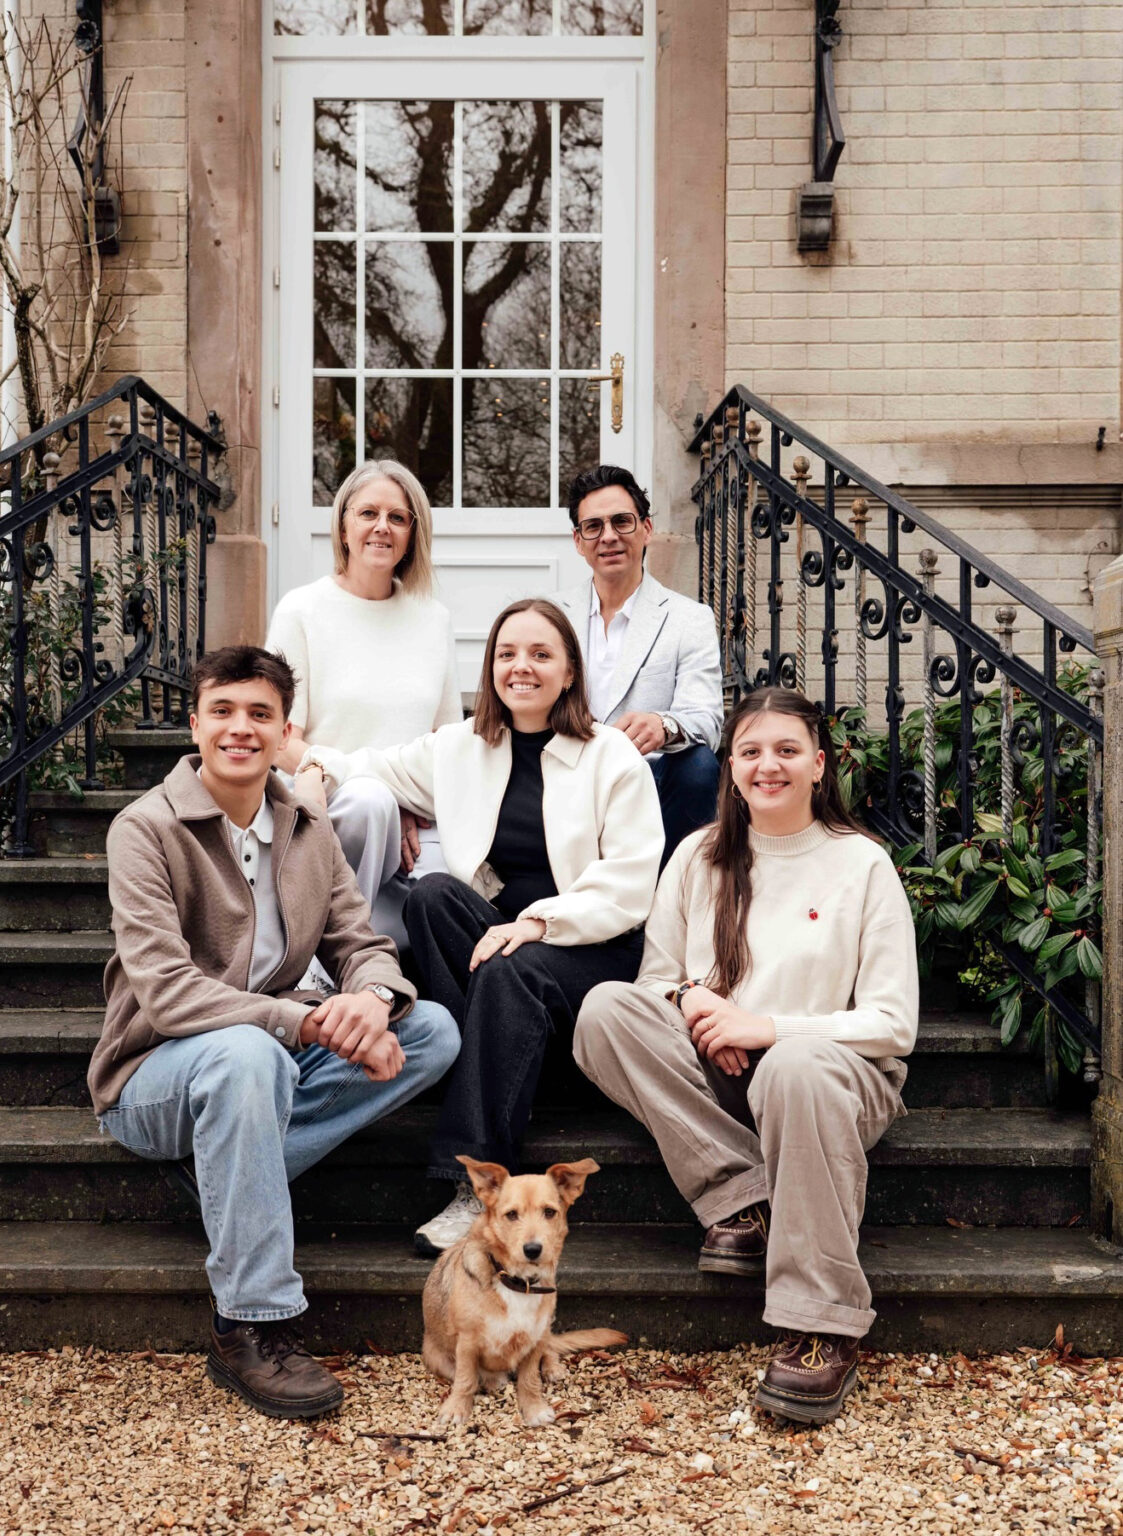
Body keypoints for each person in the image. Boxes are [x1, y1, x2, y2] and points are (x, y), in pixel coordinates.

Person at [88, 646, 460, 1421]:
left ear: (285, 732)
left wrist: (374, 1000)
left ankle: (229, 1168)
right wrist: (308, 1020)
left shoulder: (306, 827)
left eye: (260, 714)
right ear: (195, 726)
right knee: (246, 1052)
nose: (240, 728)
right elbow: (167, 994)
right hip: (153, 1078)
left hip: (266, 1059)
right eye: (222, 711)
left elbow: (360, 943)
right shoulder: (144, 829)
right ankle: (248, 1323)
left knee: (431, 1030)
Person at [573, 688, 918, 1425]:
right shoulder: (697, 857)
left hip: (834, 1078)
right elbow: (656, 984)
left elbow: (892, 1025)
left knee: (795, 1067)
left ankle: (820, 1324)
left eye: (787, 750)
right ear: (729, 767)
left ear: (818, 765)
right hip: (724, 1071)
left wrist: (765, 1029)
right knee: (605, 1011)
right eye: (751, 751)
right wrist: (698, 1009)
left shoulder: (862, 864)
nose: (769, 766)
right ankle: (744, 1199)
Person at [296, 599, 664, 1257]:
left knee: (507, 965)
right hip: (504, 946)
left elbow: (632, 882)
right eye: (507, 653)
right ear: (490, 666)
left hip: (590, 945)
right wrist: (314, 773)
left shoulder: (611, 757)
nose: (521, 667)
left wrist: (538, 923)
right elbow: (369, 767)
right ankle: (487, 1069)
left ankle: (476, 1185)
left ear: (570, 673)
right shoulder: (463, 746)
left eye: (541, 654)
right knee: (432, 897)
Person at [265, 460, 461, 948]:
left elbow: (447, 743)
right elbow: (280, 740)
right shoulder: (301, 609)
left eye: (397, 517)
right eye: (368, 513)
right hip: (327, 799)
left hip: (411, 808)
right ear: (343, 527)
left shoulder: (433, 618)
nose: (382, 527)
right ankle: (332, 954)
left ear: (413, 533)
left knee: (456, 878)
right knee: (371, 802)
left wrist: (406, 800)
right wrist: (387, 794)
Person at [554, 464, 724, 866]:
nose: (608, 536)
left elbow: (707, 720)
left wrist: (663, 725)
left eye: (622, 521)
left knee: (699, 764)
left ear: (646, 529)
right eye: (593, 526)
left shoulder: (689, 619)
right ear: (578, 541)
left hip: (649, 784)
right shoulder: (551, 615)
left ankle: (673, 889)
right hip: (567, 777)